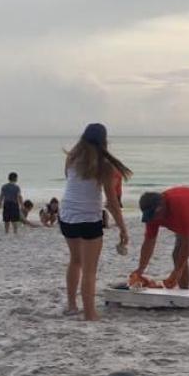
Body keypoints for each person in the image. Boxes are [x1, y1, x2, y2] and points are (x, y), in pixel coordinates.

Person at [59, 123, 131, 321]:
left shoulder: (71, 158)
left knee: (75, 261)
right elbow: (112, 202)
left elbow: (72, 183)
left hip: (66, 215)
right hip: (89, 218)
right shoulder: (104, 166)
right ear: (103, 140)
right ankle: (90, 314)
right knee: (90, 270)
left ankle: (72, 306)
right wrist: (123, 228)